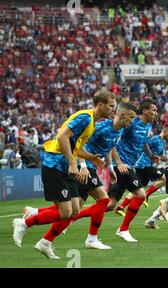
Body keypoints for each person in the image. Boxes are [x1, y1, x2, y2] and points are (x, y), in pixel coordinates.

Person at [12, 89, 116, 259]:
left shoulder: (92, 124)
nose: (113, 110)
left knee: (75, 211)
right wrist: (73, 163)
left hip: (64, 168)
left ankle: (45, 243)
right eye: (111, 106)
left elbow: (75, 147)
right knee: (65, 212)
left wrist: (90, 157)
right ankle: (24, 223)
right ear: (100, 105)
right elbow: (62, 137)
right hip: (55, 165)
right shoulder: (85, 117)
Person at [22, 102, 138, 252]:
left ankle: (38, 222)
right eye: (132, 117)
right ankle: (91, 239)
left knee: (74, 210)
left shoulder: (119, 131)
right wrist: (82, 166)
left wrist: (110, 167)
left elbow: (109, 147)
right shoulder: (101, 127)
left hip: (89, 166)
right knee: (103, 200)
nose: (132, 121)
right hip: (83, 167)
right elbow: (79, 143)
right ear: (122, 115)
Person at [106, 99, 159, 242]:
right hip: (123, 166)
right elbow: (112, 141)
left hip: (129, 166)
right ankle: (123, 229)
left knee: (110, 205)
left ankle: (72, 216)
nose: (156, 113)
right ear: (145, 111)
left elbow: (143, 143)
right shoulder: (130, 123)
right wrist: (118, 162)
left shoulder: (147, 126)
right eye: (153, 110)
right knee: (141, 195)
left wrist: (150, 155)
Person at [116, 124, 168, 215]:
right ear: (165, 129)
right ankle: (147, 194)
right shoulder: (155, 139)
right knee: (164, 178)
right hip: (143, 164)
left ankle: (120, 207)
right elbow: (143, 144)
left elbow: (160, 155)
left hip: (144, 165)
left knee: (138, 188)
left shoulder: (162, 142)